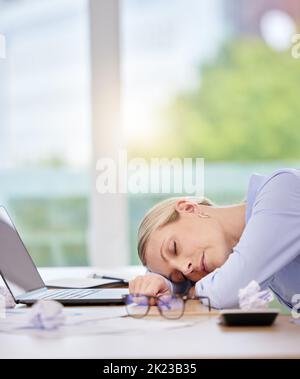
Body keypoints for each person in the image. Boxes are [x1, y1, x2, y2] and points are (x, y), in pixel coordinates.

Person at [129, 168, 300, 309]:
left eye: (174, 248)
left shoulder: (281, 191)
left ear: (188, 208)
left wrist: (186, 292)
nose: (186, 269)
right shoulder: (251, 252)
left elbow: (229, 292)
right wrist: (167, 284)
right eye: (180, 275)